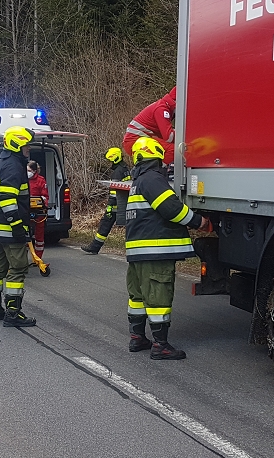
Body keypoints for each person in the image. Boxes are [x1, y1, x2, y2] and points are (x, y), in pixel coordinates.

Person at [125, 137, 210, 360]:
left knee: (138, 297)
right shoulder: (153, 179)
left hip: (138, 252)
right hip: (155, 251)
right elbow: (171, 208)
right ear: (156, 154)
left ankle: (137, 338)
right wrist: (198, 222)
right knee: (158, 297)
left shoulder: (138, 181)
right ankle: (160, 345)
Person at [0, 126, 36, 327]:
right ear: (17, 144)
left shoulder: (2, 162)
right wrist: (17, 225)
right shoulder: (14, 165)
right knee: (18, 268)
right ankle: (13, 314)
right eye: (26, 145)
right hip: (9, 228)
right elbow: (6, 198)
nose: (29, 149)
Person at [81, 147, 131, 254]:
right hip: (124, 204)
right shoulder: (125, 169)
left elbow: (114, 193)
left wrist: (109, 208)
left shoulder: (117, 172)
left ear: (115, 158)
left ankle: (95, 247)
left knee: (105, 224)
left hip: (116, 206)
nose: (109, 163)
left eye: (110, 160)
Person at [123, 87, 176, 165]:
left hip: (136, 139)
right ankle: (160, 173)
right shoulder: (161, 109)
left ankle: (157, 171)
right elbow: (169, 137)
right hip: (135, 140)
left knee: (171, 149)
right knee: (173, 150)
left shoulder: (162, 106)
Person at [26, 159, 48, 259]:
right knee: (25, 233)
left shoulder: (41, 180)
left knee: (39, 235)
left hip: (38, 210)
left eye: (29, 170)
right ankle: (23, 257)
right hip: (26, 209)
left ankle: (38, 257)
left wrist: (40, 201)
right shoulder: (23, 179)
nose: (27, 172)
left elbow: (45, 196)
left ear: (34, 171)